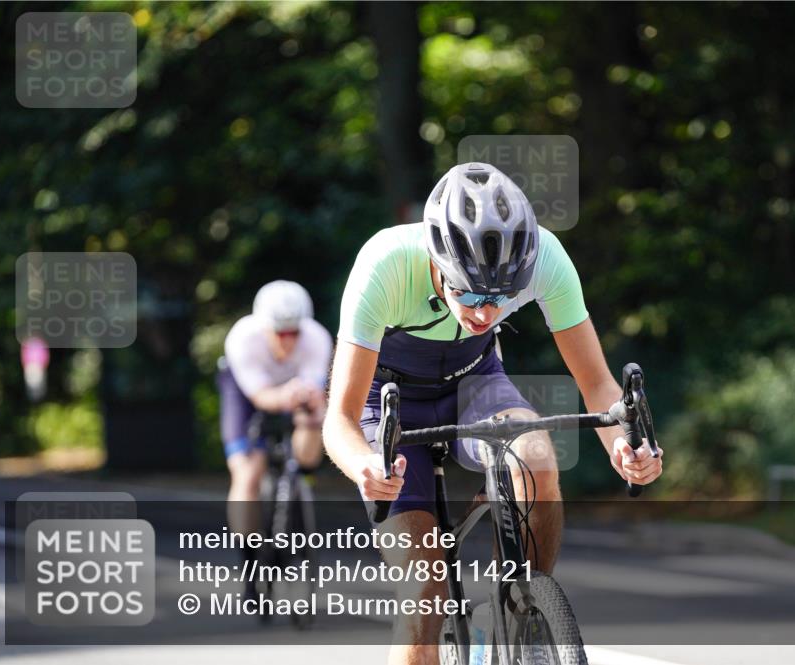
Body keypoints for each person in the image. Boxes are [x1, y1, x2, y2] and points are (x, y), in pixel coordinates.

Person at [323, 162, 663, 664]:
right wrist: (364, 467)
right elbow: (341, 419)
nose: (485, 313)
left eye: (502, 298)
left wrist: (624, 445)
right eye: (470, 293)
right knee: (425, 592)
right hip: (387, 402)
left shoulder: (545, 256)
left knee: (537, 457)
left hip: (474, 381)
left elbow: (596, 383)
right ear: (435, 260)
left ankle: (524, 613)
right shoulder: (386, 263)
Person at [218, 280, 332, 523]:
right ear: (264, 328)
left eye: (294, 333)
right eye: (280, 333)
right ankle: (249, 549)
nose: (287, 341)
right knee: (247, 473)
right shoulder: (242, 338)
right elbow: (261, 397)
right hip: (246, 393)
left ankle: (302, 475)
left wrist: (310, 405)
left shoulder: (316, 338)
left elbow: (314, 393)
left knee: (313, 415)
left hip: (292, 390)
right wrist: (285, 396)